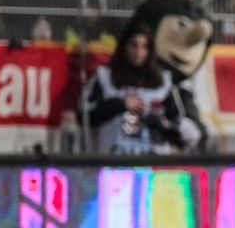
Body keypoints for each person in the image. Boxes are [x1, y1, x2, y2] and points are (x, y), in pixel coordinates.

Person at [80, 27, 200, 155]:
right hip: (114, 164)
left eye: (144, 46)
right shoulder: (104, 78)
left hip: (155, 164)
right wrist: (120, 105)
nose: (138, 51)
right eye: (134, 45)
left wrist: (161, 123)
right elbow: (83, 116)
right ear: (124, 46)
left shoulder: (164, 83)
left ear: (151, 50)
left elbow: (183, 127)